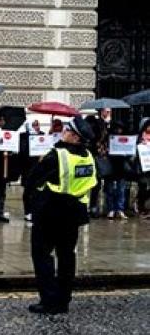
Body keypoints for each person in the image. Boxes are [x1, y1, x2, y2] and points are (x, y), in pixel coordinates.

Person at [25, 117, 97, 314]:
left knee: (42, 255)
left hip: (51, 212)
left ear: (74, 136)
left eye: (67, 129)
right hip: (74, 214)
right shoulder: (88, 156)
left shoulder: (57, 155)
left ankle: (49, 300)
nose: (63, 131)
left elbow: (32, 179)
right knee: (67, 256)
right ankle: (64, 299)